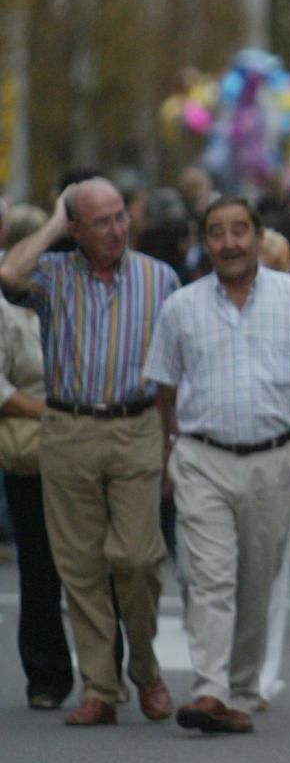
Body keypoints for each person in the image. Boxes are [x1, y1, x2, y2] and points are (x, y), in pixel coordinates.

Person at [143, 196, 290, 734]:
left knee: (257, 579)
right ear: (202, 243)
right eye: (216, 233)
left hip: (274, 459)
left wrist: (282, 407)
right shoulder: (180, 307)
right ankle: (208, 689)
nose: (228, 243)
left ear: (257, 236)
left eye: (238, 231)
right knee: (209, 576)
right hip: (203, 455)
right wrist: (169, 451)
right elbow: (165, 385)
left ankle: (243, 690)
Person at [0, 178, 178, 727]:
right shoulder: (53, 276)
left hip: (135, 426)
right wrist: (54, 221)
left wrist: (172, 438)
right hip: (69, 427)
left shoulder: (160, 278)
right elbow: (7, 273)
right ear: (75, 228)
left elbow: (176, 365)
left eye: (121, 216)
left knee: (136, 557)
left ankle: (145, 667)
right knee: (79, 566)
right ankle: (100, 687)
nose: (116, 230)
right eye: (100, 221)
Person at [0, 203, 73, 709]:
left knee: (102, 563)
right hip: (33, 447)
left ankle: (105, 670)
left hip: (89, 438)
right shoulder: (6, 309)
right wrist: (46, 410)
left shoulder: (70, 291)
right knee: (40, 565)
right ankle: (46, 676)